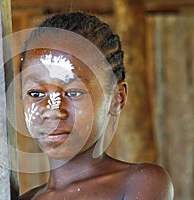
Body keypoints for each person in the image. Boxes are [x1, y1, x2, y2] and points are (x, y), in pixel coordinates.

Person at [18, 12, 174, 200]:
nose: (53, 111)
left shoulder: (141, 182)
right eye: (36, 94)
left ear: (117, 98)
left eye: (73, 92)